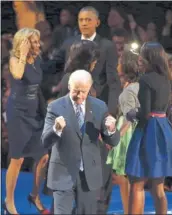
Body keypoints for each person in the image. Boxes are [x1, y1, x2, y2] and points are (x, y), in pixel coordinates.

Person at [41, 70, 120, 214]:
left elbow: (113, 141)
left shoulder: (99, 106)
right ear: (70, 86)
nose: (80, 96)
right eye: (76, 91)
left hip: (89, 175)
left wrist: (111, 129)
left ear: (89, 88)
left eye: (84, 91)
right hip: (63, 172)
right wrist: (56, 130)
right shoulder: (55, 107)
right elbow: (45, 142)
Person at [125, 42, 172, 214]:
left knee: (137, 183)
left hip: (148, 131)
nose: (139, 58)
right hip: (164, 130)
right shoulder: (166, 80)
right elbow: (165, 109)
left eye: (143, 55)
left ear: (151, 58)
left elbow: (146, 113)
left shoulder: (145, 79)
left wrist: (131, 114)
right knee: (158, 187)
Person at [3, 28, 50, 215]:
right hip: (18, 113)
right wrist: (22, 54)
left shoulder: (38, 59)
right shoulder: (14, 59)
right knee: (18, 159)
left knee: (43, 155)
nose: (38, 45)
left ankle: (34, 195)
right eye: (33, 42)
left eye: (38, 42)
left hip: (35, 112)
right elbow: (18, 74)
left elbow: (37, 86)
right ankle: (9, 201)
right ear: (23, 43)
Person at [106, 50, 140, 214]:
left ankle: (129, 211)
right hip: (132, 131)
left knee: (124, 177)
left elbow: (129, 118)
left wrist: (116, 136)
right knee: (125, 178)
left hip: (128, 134)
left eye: (120, 61)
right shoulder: (135, 85)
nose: (118, 64)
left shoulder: (130, 89)